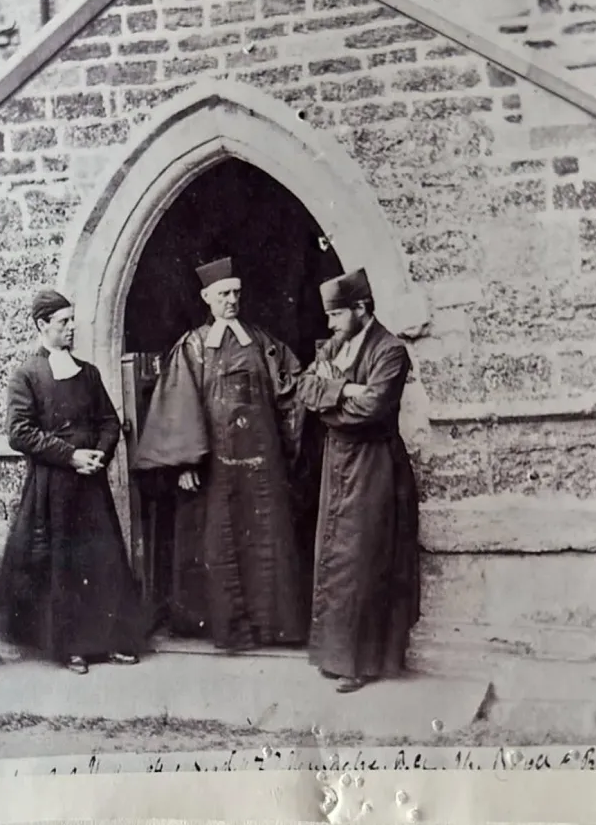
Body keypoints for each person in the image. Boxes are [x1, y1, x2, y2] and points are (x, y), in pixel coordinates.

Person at [131, 257, 307, 651]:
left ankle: (270, 627)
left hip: (263, 468)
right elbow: (178, 404)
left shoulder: (262, 342)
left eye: (236, 293)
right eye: (224, 294)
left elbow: (290, 386)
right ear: (207, 298)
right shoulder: (192, 347)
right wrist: (187, 461)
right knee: (220, 543)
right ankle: (224, 628)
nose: (232, 300)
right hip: (216, 469)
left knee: (267, 541)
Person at [0, 288, 145, 674]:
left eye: (72, 320)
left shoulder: (88, 373)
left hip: (90, 483)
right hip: (53, 486)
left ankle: (112, 641)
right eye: (64, 322)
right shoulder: (27, 375)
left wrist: (99, 455)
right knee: (65, 564)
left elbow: (110, 422)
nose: (71, 327)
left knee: (103, 559)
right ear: (43, 326)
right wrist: (69, 456)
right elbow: (19, 433)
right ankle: (71, 647)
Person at [297, 268, 420, 693]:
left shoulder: (390, 352)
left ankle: (362, 662)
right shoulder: (336, 343)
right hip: (339, 462)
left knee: (363, 559)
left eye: (336, 315)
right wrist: (345, 391)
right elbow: (306, 388)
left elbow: (371, 408)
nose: (329, 324)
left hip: (374, 465)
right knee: (335, 556)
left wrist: (335, 394)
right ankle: (336, 657)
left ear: (361, 309)